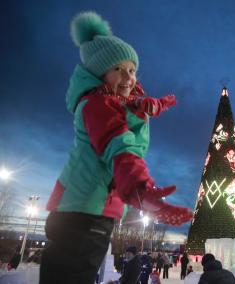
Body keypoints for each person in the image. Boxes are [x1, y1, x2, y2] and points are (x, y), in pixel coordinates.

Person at [39, 11, 192, 284]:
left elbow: (126, 120)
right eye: (117, 69)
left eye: (132, 70)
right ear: (100, 74)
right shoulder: (99, 105)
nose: (128, 76)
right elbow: (119, 146)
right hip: (84, 212)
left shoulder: (108, 104)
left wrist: (148, 106)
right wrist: (141, 190)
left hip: (88, 208)